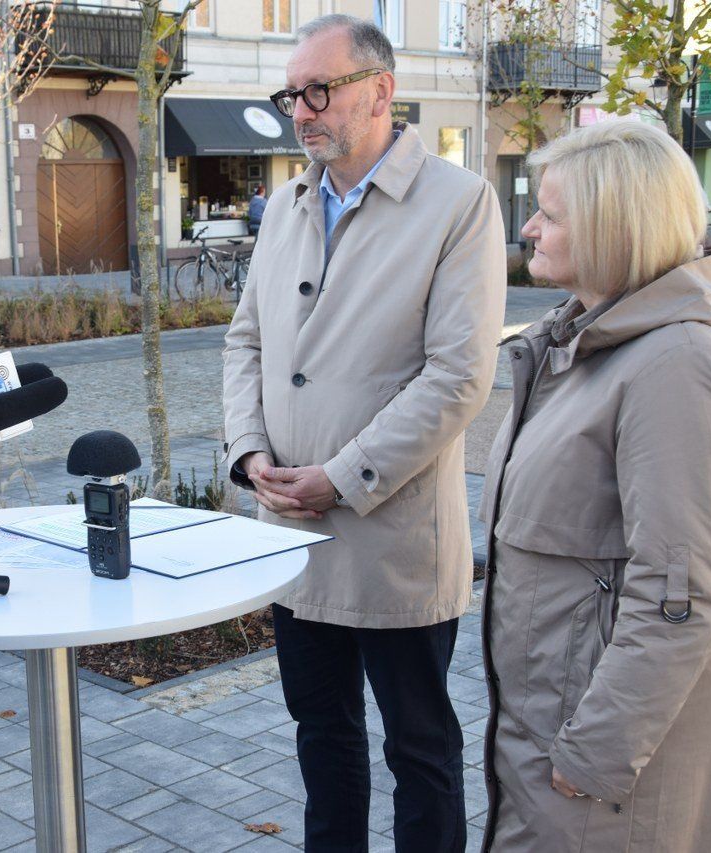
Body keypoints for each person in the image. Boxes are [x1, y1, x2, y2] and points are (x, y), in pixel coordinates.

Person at [222, 14, 506, 851]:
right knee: (322, 735)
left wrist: (340, 475)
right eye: (291, 95)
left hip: (393, 537)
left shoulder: (459, 204)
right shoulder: (285, 204)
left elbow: (459, 377)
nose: (302, 111)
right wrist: (249, 454)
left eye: (321, 90)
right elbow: (247, 340)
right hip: (291, 534)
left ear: (380, 90)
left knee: (419, 746)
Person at [479, 120, 711, 851]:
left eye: (550, 213)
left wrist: (598, 751)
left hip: (608, 760)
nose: (530, 229)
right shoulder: (585, 342)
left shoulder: (673, 366)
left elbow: (683, 591)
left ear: (614, 227)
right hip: (557, 726)